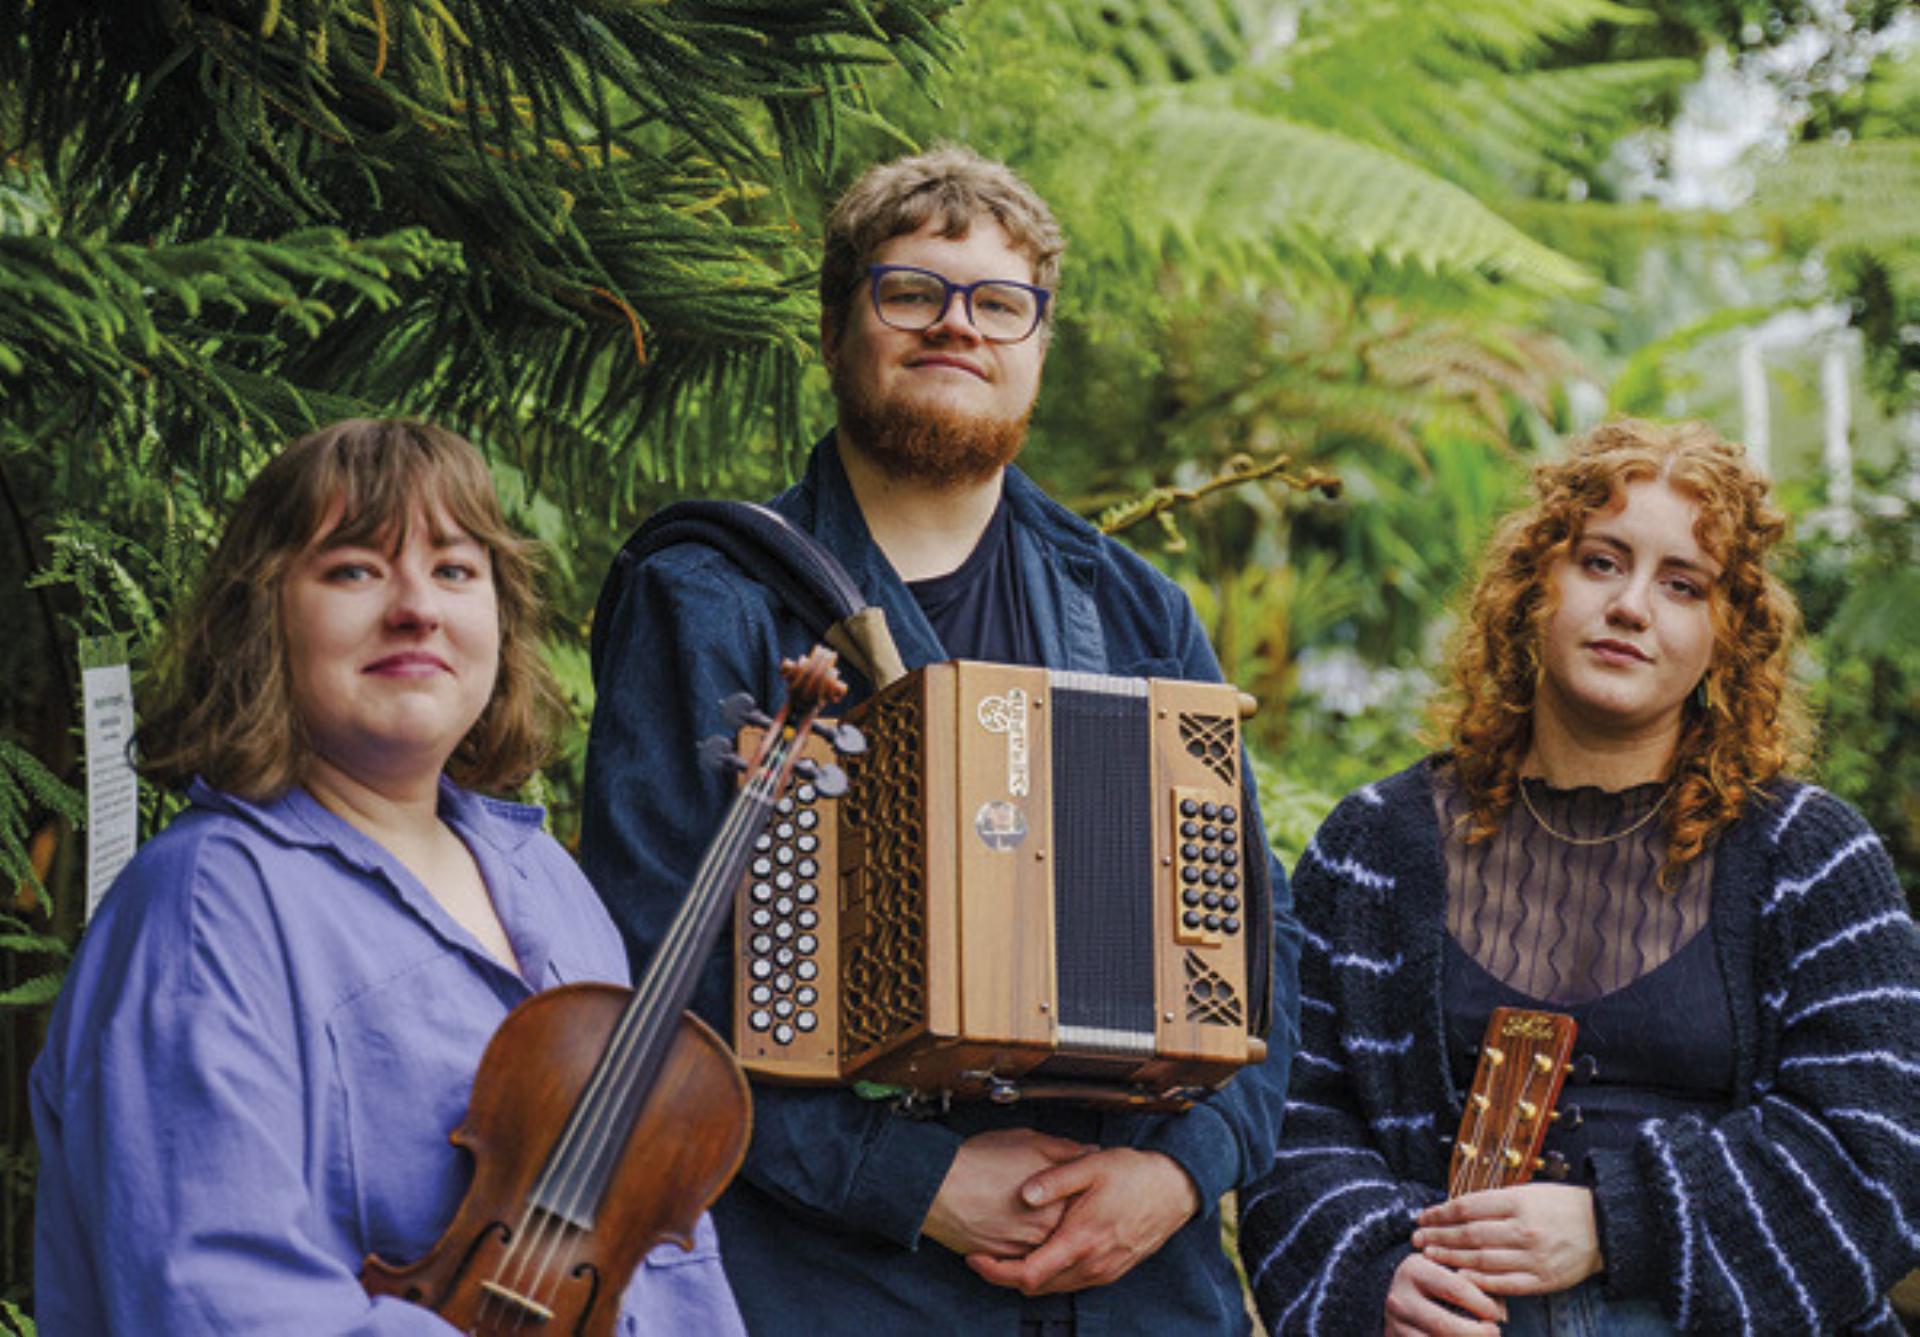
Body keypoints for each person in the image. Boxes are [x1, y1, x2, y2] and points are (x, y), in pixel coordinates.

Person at [582, 145, 1303, 1334]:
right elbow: (654, 968)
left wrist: (1182, 1171)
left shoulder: (1136, 610)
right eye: (909, 292)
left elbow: (1263, 948)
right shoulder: (710, 595)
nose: (955, 327)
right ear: (835, 327)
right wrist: (911, 1179)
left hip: (1133, 1281)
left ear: (1037, 343)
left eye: (998, 303)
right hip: (839, 1274)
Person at [31, 419, 745, 1335]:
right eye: (355, 569)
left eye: (454, 570)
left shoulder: (546, 881)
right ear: (262, 618)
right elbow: (219, 1299)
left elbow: (673, 1267)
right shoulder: (205, 905)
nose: (418, 607)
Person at [1235, 418, 1920, 1335]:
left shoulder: (1809, 857)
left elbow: (1880, 1147)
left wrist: (1616, 1220)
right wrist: (1376, 1268)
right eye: (1601, 561)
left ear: (1728, 634)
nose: (1632, 605)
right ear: (1535, 584)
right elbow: (1294, 1114)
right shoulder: (1373, 847)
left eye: (1683, 585)